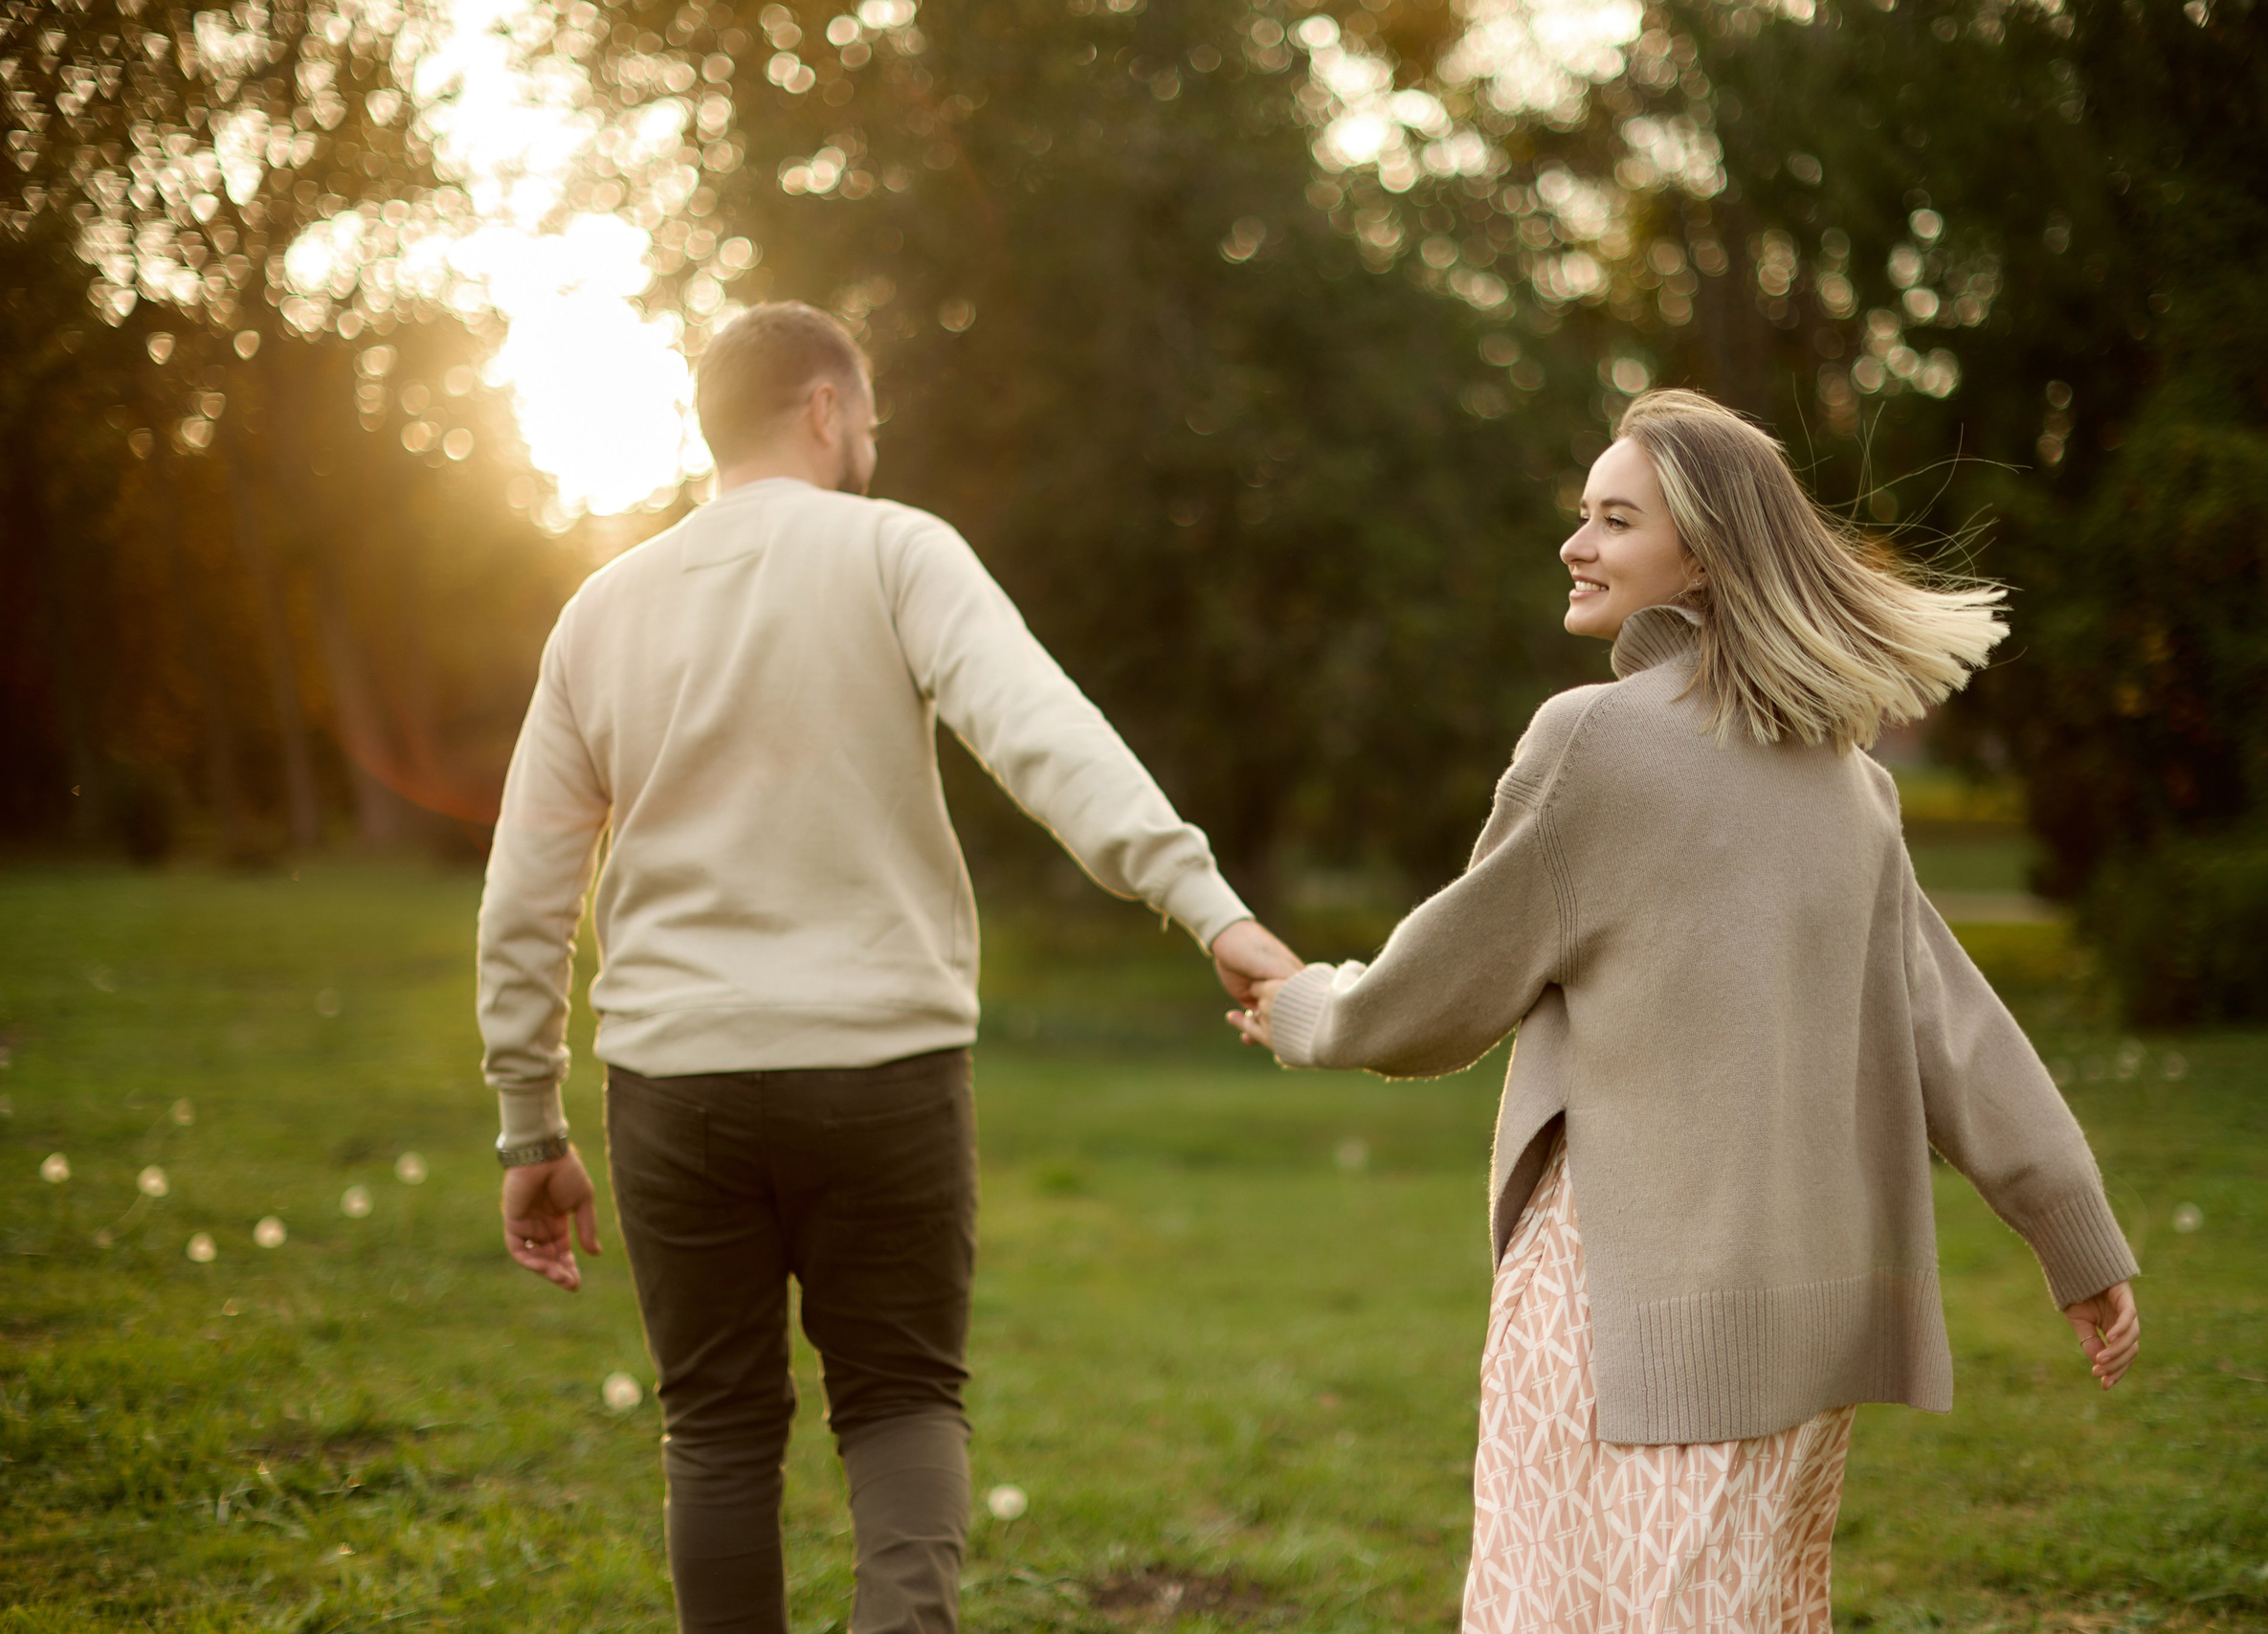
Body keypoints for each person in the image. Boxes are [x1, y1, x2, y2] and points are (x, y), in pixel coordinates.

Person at [1229, 389, 2142, 1633]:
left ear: (1702, 556)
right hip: (1806, 1332)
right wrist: (2072, 1234)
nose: (1577, 543)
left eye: (1614, 520)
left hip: (1623, 1311)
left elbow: (1444, 987)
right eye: (1583, 516)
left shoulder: (1594, 742)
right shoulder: (1852, 783)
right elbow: (1954, 1032)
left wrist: (1306, 1011)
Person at [476, 301, 1300, 1634]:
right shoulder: (897, 551)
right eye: (867, 414)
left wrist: (530, 1122)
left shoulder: (601, 609)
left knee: (720, 1432)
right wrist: (1206, 907)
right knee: (903, 1400)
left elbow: (527, 891)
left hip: (672, 1087)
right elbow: (1047, 738)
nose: (870, 438)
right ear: (822, 409)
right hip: (881, 1073)